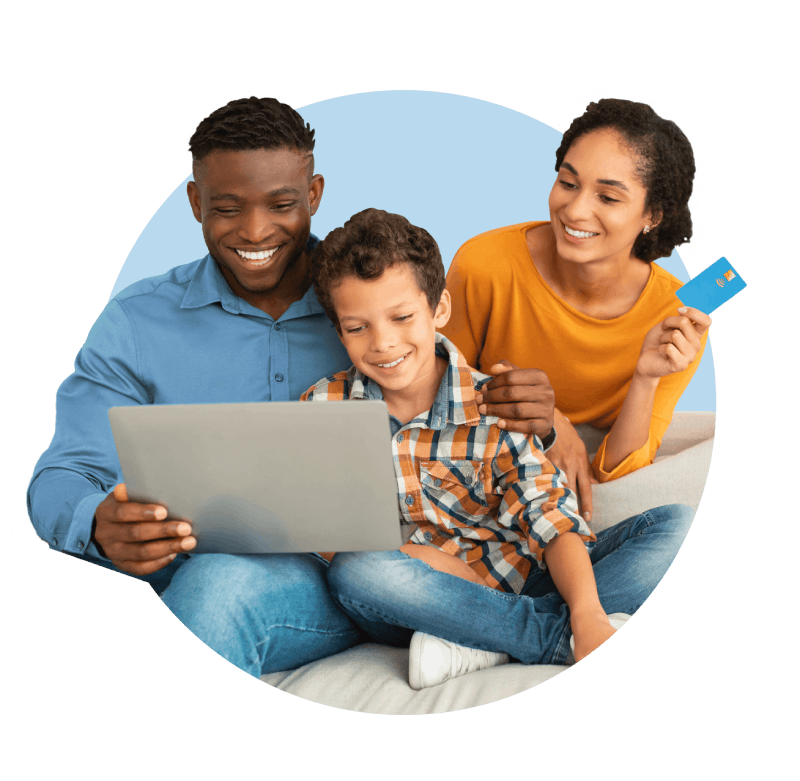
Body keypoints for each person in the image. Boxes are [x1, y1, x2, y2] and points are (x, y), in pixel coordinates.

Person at [24, 94, 556, 680]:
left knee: (223, 582)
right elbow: (61, 474)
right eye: (227, 207)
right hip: (248, 582)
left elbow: (474, 405)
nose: (256, 231)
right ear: (196, 201)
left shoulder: (375, 305)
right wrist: (95, 521)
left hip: (397, 569)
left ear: (314, 195)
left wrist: (547, 422)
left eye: (282, 204)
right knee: (216, 579)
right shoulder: (137, 322)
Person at [311, 208, 694, 689]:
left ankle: (483, 644)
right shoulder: (324, 406)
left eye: (402, 317)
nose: (384, 342)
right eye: (356, 327)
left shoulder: (497, 400)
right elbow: (319, 528)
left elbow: (548, 514)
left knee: (677, 527)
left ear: (440, 310)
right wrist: (420, 558)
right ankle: (550, 638)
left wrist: (589, 612)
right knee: (360, 569)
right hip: (412, 593)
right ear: (339, 330)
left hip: (523, 579)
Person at [441, 97, 712, 523]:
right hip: (497, 449)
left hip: (599, 478)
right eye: (568, 183)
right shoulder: (485, 263)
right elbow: (434, 397)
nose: (575, 209)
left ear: (652, 215)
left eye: (607, 196)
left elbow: (621, 472)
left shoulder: (679, 313)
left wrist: (645, 377)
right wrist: (549, 422)